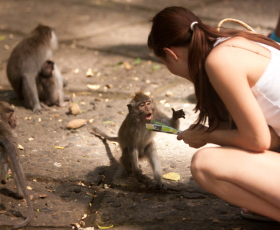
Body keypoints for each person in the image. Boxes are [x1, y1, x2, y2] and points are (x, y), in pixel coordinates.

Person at [148, 6, 280, 222]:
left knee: (204, 165)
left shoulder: (219, 62)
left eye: (165, 63)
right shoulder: (238, 39)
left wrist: (205, 135)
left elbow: (258, 140)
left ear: (171, 54)